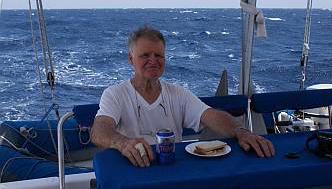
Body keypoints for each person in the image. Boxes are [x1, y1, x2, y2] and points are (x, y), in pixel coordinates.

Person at [91, 25, 275, 167]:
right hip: (132, 168)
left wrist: (240, 131)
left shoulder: (178, 94)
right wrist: (123, 144)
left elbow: (211, 116)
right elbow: (99, 131)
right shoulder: (115, 94)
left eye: (159, 55)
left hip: (171, 169)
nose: (153, 61)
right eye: (145, 55)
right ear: (131, 58)